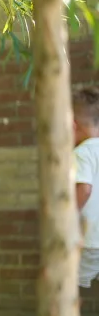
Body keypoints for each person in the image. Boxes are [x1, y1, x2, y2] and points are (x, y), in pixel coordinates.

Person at [74, 85, 99, 288]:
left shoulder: (82, 152)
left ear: (73, 126)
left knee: (69, 282)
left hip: (91, 239)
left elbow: (85, 189)